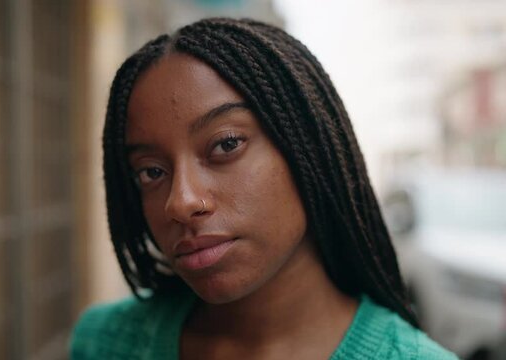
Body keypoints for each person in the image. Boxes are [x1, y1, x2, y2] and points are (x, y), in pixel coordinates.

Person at [70, 17, 458, 359]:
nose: (181, 202)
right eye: (151, 172)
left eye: (225, 145)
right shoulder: (104, 343)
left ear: (308, 149)